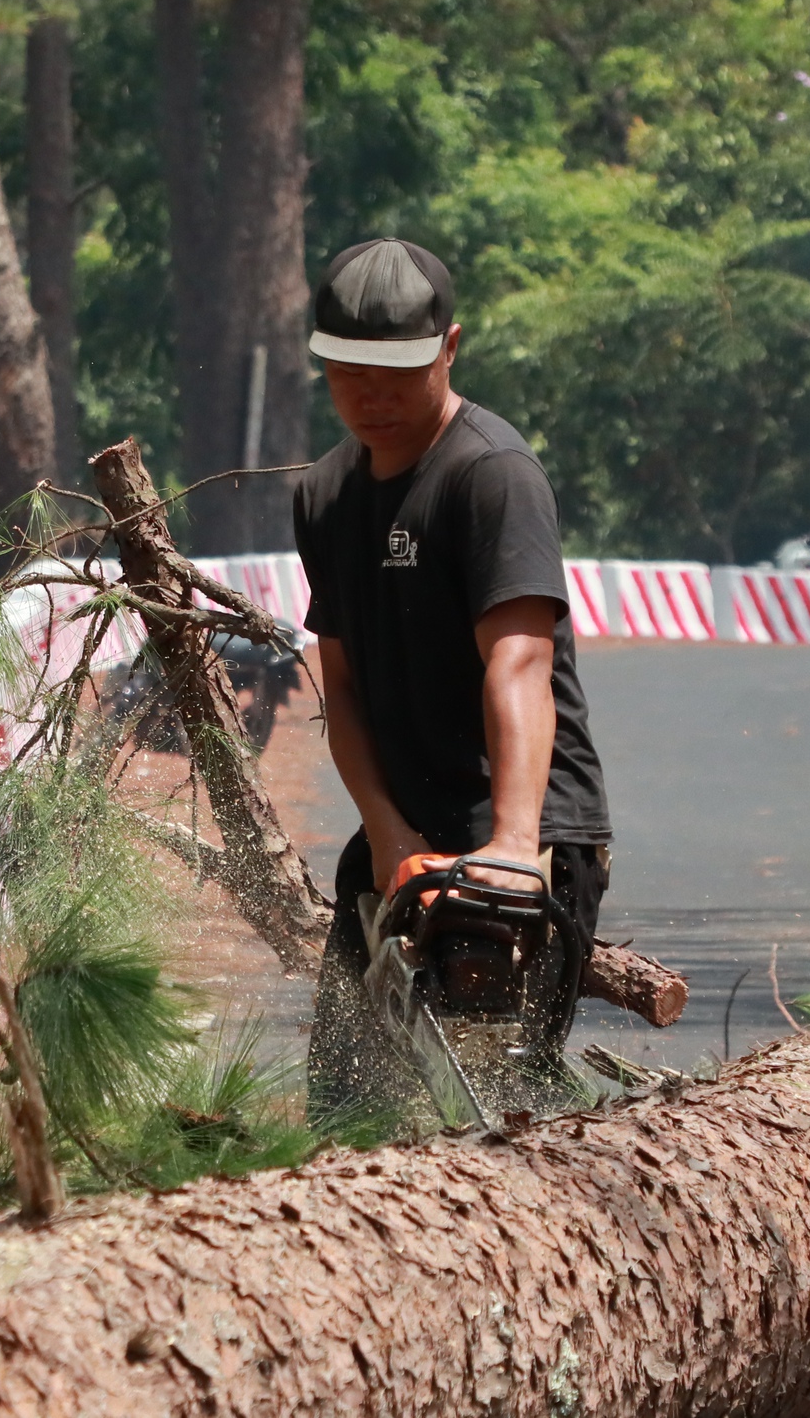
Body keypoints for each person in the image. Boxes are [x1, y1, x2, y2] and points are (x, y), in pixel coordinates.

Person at [293, 237, 614, 1117]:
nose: (373, 395)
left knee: (487, 1109)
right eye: (350, 371)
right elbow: (344, 689)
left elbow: (519, 661)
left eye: (396, 372)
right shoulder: (324, 496)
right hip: (402, 834)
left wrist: (513, 851)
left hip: (516, 821)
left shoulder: (491, 474)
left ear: (451, 346)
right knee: (347, 1104)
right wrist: (390, 837)